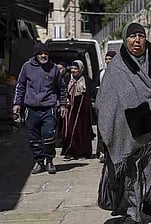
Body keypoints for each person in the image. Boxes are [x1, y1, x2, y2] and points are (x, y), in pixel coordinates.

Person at [96, 22, 151, 224]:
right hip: (131, 126)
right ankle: (132, 210)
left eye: (141, 36)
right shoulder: (117, 67)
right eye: (132, 36)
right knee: (132, 171)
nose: (137, 41)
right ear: (126, 40)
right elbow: (105, 100)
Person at [12, 42, 67, 174]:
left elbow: (61, 88)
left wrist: (63, 104)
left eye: (45, 53)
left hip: (49, 108)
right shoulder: (27, 67)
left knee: (48, 135)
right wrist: (17, 104)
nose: (43, 55)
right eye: (41, 53)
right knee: (33, 138)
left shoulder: (53, 68)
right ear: (36, 55)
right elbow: (20, 86)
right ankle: (39, 162)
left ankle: (49, 161)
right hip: (31, 108)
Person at [61, 60, 93, 160]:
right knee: (68, 130)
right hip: (69, 108)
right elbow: (63, 91)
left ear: (81, 70)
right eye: (72, 69)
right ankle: (69, 152)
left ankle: (82, 152)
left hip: (82, 109)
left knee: (81, 130)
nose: (74, 71)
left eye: (76, 69)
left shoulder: (86, 80)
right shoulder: (67, 79)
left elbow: (89, 94)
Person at [97, 50, 116, 163]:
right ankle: (102, 151)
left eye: (111, 59)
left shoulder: (120, 72)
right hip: (103, 105)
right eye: (107, 59)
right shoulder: (102, 73)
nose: (108, 61)